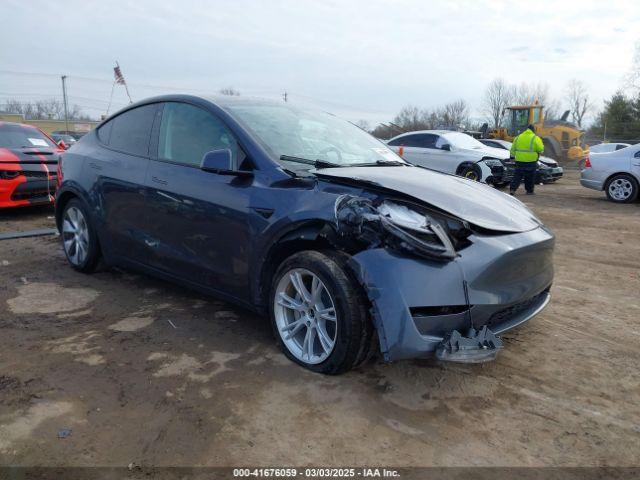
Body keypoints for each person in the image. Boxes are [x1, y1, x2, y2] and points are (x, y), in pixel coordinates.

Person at [509, 124, 544, 195]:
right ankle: (529, 191)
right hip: (531, 161)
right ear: (533, 130)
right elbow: (540, 150)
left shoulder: (518, 137)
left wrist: (512, 157)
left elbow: (513, 149)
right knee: (530, 177)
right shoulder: (535, 138)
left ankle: (512, 189)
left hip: (519, 161)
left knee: (517, 176)